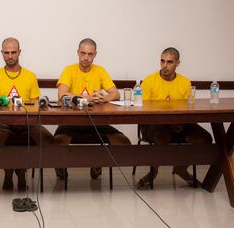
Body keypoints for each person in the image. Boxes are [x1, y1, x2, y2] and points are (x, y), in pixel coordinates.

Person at [54, 38, 131, 180]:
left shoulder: (100, 70)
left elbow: (116, 93)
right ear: (77, 52)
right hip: (72, 122)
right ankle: (60, 169)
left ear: (95, 54)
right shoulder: (69, 70)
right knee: (56, 143)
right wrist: (88, 98)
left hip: (97, 122)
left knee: (124, 142)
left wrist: (104, 98)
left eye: (90, 54)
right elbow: (62, 94)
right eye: (83, 53)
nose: (86, 57)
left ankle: (98, 162)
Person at [137, 47, 212, 190]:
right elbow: (143, 109)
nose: (165, 65)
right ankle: (152, 174)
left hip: (180, 123)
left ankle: (181, 168)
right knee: (161, 137)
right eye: (162, 61)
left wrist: (179, 120)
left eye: (169, 62)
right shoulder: (148, 81)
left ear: (177, 63)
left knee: (205, 138)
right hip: (154, 123)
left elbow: (188, 108)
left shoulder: (185, 82)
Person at [0, 37, 54, 191]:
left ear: (20, 52)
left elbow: (36, 105)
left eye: (13, 52)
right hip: (2, 124)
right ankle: (8, 173)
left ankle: (22, 173)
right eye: (6, 53)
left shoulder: (30, 76)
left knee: (48, 139)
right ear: (1, 53)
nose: (10, 56)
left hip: (28, 123)